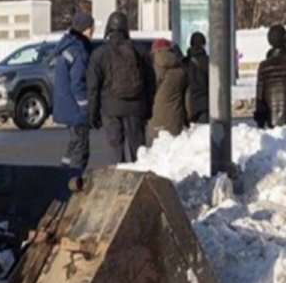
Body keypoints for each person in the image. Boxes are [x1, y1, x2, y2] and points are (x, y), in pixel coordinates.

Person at [86, 11, 154, 163]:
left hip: (110, 109)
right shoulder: (140, 50)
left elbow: (93, 88)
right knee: (138, 154)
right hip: (136, 108)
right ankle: (138, 182)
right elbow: (151, 82)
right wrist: (148, 108)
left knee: (116, 153)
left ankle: (118, 179)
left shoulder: (99, 53)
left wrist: (93, 114)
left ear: (109, 28)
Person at [51, 12, 95, 171]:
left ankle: (61, 173)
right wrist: (85, 107)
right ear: (86, 30)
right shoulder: (80, 51)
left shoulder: (67, 47)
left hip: (65, 106)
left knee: (74, 143)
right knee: (81, 149)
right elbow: (78, 83)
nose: (92, 33)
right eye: (91, 29)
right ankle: (74, 180)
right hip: (75, 110)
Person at [150, 39, 189, 139]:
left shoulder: (152, 68)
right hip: (175, 116)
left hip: (156, 114)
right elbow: (187, 97)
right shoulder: (181, 70)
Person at [184, 31, 209, 125]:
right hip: (205, 104)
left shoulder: (185, 61)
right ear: (203, 45)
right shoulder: (208, 62)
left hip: (189, 104)